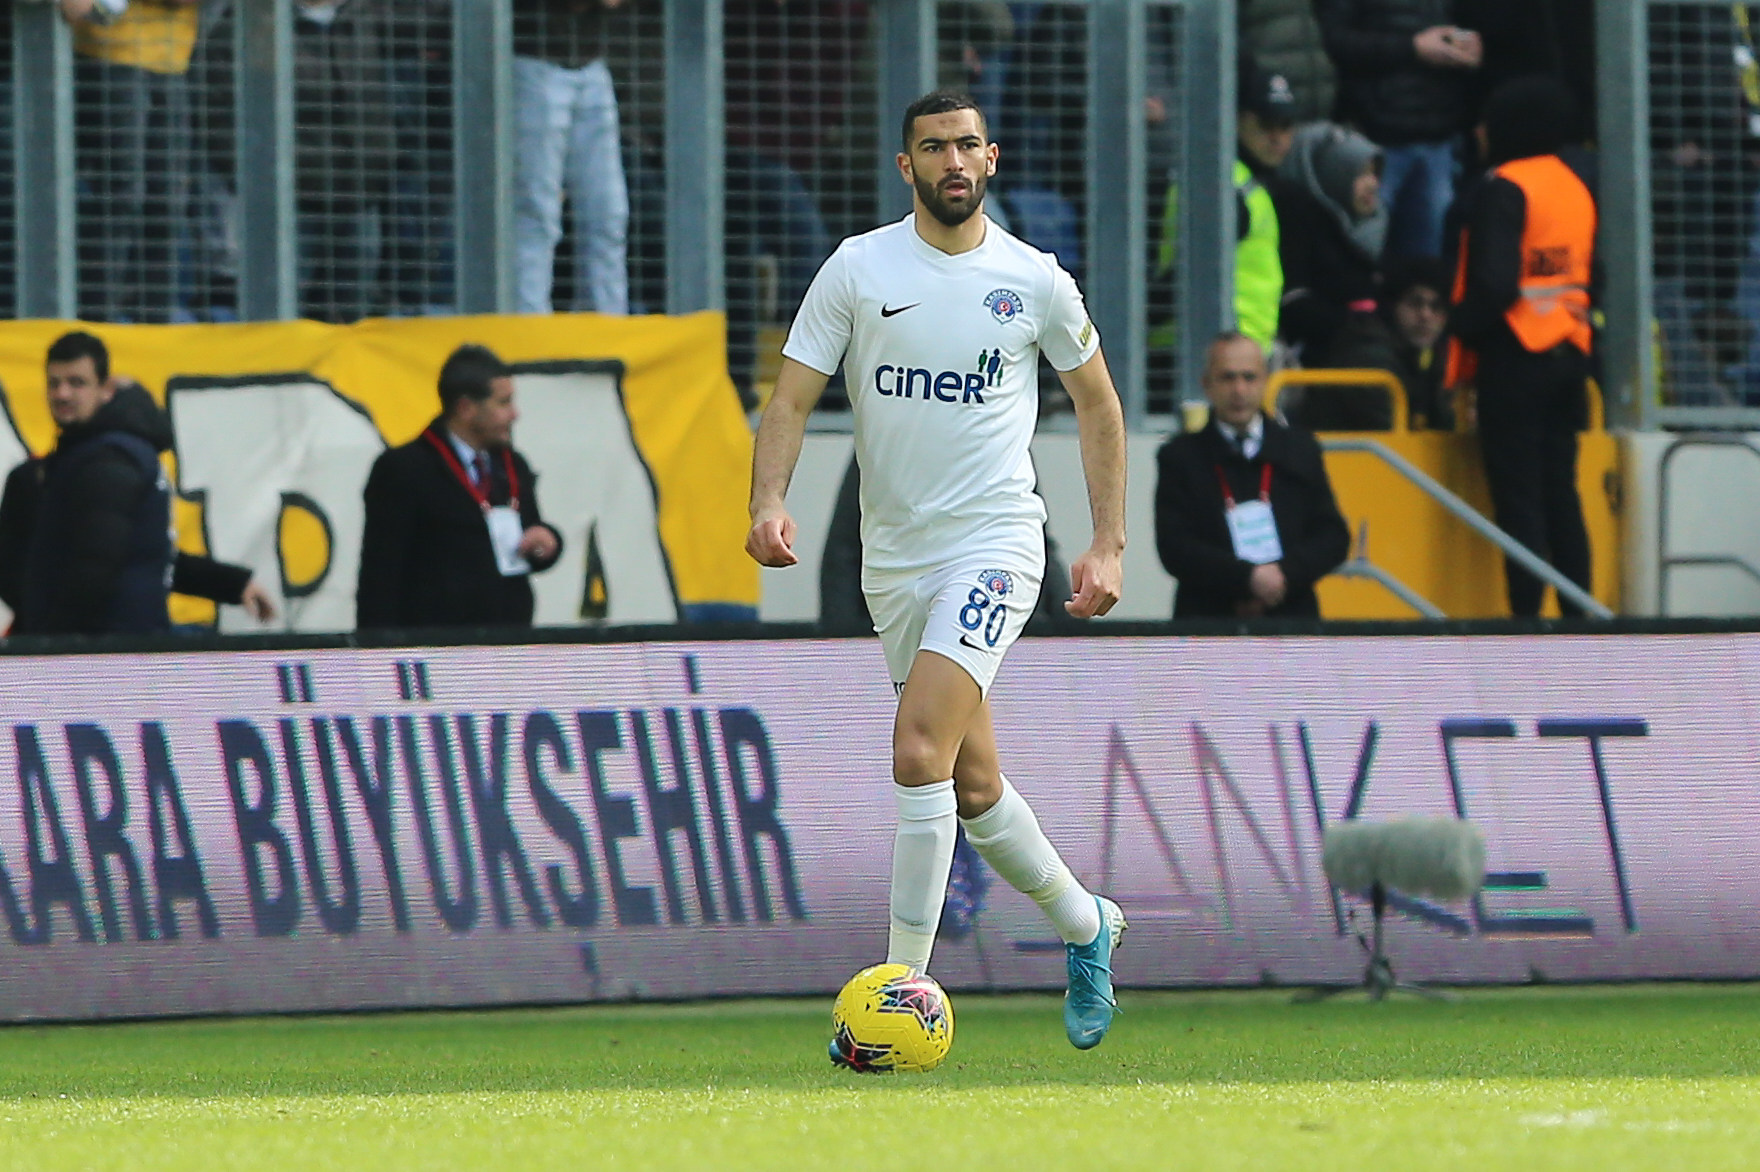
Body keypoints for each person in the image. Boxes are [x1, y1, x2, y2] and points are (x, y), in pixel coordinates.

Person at [748, 91, 1129, 1052]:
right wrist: (768, 499)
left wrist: (1108, 543)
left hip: (996, 546)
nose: (952, 161)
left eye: (966, 145)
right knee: (972, 785)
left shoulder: (1034, 280)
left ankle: (900, 993)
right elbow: (791, 398)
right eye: (933, 148)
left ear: (991, 158)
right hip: (895, 559)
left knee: (918, 751)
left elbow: (1098, 405)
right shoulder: (859, 268)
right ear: (906, 165)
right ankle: (1087, 924)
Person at [0, 332, 275, 635]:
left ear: (106, 389)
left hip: (108, 648)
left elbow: (96, 563)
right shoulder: (107, 454)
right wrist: (230, 583)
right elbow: (144, 554)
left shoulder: (106, 459)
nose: (62, 394)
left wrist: (58, 643)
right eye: (54, 383)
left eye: (77, 382)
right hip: (127, 641)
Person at [1445, 75, 1595, 617]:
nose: (1480, 133)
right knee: (1562, 495)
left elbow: (1495, 284)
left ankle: (1525, 624)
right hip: (1570, 350)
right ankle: (1579, 617)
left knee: (1519, 502)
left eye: (1488, 122)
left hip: (1515, 358)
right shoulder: (1575, 186)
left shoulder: (1505, 186)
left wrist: (1458, 327)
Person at [356, 344, 563, 630]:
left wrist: (547, 542)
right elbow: (380, 575)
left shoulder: (513, 465)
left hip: (510, 640)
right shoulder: (404, 469)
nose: (515, 414)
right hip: (437, 644)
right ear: (466, 408)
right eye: (503, 403)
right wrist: (376, 649)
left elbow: (524, 539)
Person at [1155, 333, 1350, 619]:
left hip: (1291, 619)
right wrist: (1246, 578)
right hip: (1207, 622)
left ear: (1265, 381)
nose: (1239, 390)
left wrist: (1283, 575)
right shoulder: (1180, 457)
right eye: (1227, 378)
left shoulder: (1300, 449)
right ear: (1206, 384)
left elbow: (1332, 536)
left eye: (1249, 377)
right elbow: (1175, 546)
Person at [59, 0, 200, 323]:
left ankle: (156, 326)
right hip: (110, 54)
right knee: (121, 195)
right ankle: (98, 321)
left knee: (168, 202)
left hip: (174, 59)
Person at [1316, 0, 1480, 259]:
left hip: (1440, 134)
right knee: (1364, 249)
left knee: (1426, 264)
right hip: (1376, 137)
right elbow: (1334, 40)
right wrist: (1412, 47)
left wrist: (1469, 45)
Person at [512, 0, 632, 316]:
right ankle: (530, 323)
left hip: (591, 65)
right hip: (534, 60)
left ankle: (607, 324)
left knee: (609, 214)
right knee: (536, 210)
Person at [1276, 122, 1386, 367]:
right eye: (1361, 174)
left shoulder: (1376, 227)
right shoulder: (1300, 223)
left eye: (1375, 173)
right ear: (1335, 175)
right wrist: (1355, 322)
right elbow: (1295, 304)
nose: (1373, 184)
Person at [1234, 61, 1298, 350]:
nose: (1277, 138)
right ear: (1238, 121)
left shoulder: (1253, 185)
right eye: (1265, 125)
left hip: (1244, 347)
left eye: (1285, 126)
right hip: (1219, 348)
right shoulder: (1225, 189)